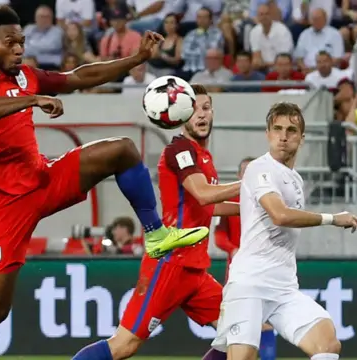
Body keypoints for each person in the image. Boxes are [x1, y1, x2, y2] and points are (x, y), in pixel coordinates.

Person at [0, 5, 209, 356]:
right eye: (10, 42)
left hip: (44, 178)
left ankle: (155, 235)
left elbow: (80, 76)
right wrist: (33, 100)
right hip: (7, 204)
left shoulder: (26, 76)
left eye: (21, 41)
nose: (19, 48)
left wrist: (135, 58)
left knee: (123, 150)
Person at [70, 84, 243, 360]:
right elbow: (203, 193)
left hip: (195, 270)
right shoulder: (179, 150)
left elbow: (210, 205)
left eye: (207, 108)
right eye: (193, 108)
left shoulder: (204, 157)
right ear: (179, 115)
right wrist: (253, 184)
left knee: (240, 331)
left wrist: (258, 207)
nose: (201, 115)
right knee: (124, 345)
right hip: (170, 263)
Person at [212, 101, 357, 360]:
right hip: (249, 282)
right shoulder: (260, 168)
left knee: (327, 344)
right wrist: (333, 218)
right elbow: (279, 215)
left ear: (301, 139)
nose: (283, 136)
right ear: (268, 134)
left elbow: (254, 211)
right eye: (277, 129)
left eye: (291, 130)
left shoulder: (295, 178)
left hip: (283, 285)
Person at [214, 156, 278, 360]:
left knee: (264, 322)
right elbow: (219, 235)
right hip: (238, 270)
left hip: (265, 267)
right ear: (238, 176)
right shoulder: (229, 203)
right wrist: (232, 249)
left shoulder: (270, 199)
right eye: (245, 171)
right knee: (238, 325)